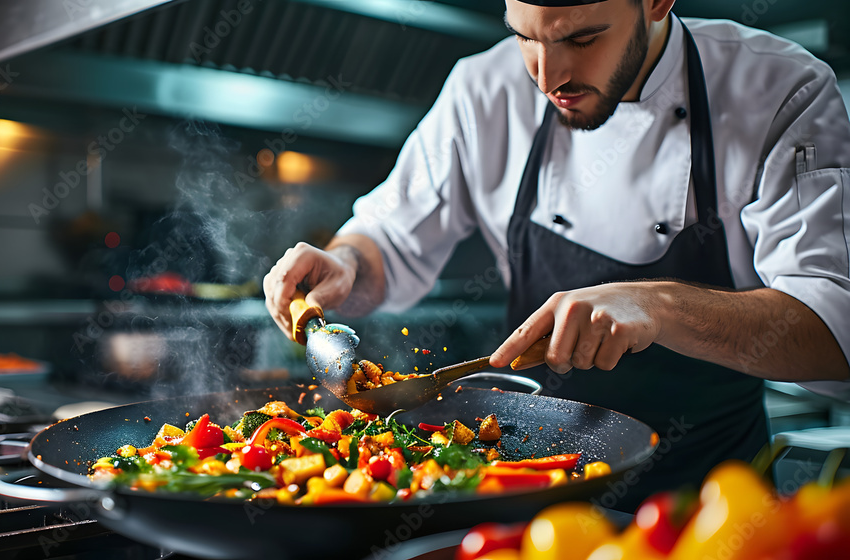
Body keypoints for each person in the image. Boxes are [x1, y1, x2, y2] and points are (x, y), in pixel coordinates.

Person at [263, 0, 850, 507]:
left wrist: (659, 306)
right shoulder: (482, 90)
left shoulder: (777, 90)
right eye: (525, 35)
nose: (549, 76)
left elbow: (835, 329)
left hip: (708, 511)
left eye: (582, 37)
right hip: (524, 505)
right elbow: (388, 236)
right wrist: (347, 264)